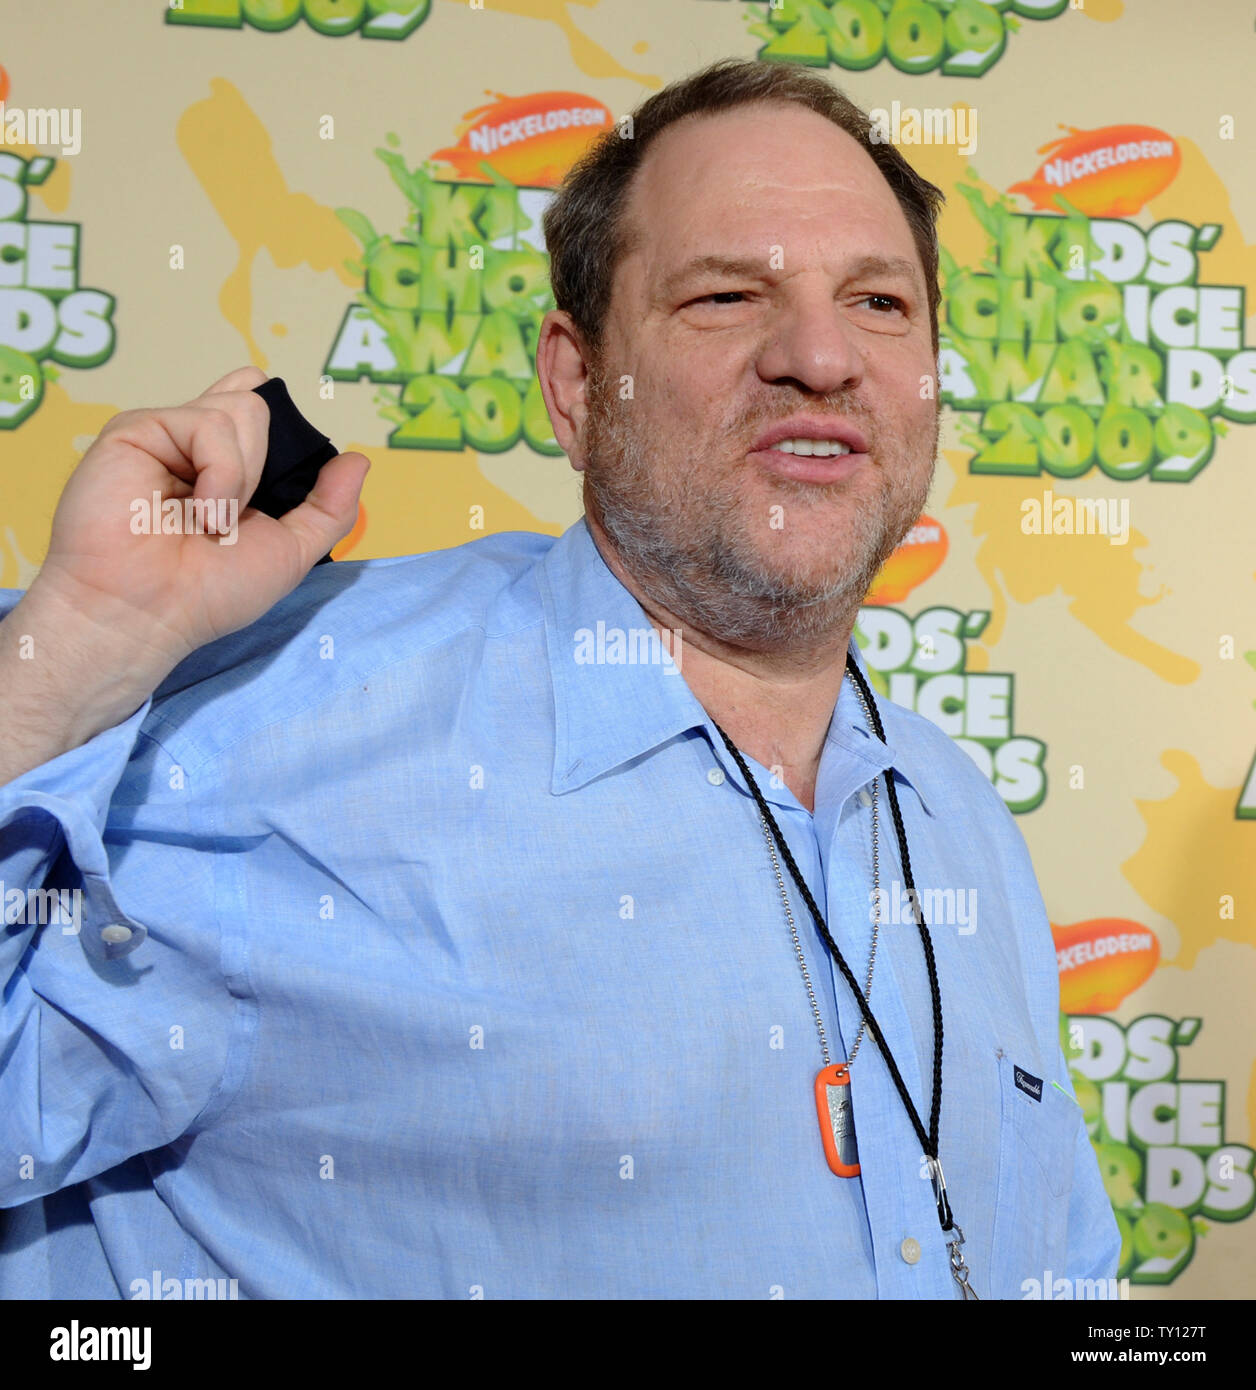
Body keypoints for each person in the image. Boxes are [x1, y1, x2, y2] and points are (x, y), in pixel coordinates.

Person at [0, 57, 1118, 1300]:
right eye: (725, 296)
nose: (818, 354)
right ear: (578, 385)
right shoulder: (285, 717)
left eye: (878, 303)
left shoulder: (956, 817)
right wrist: (64, 663)